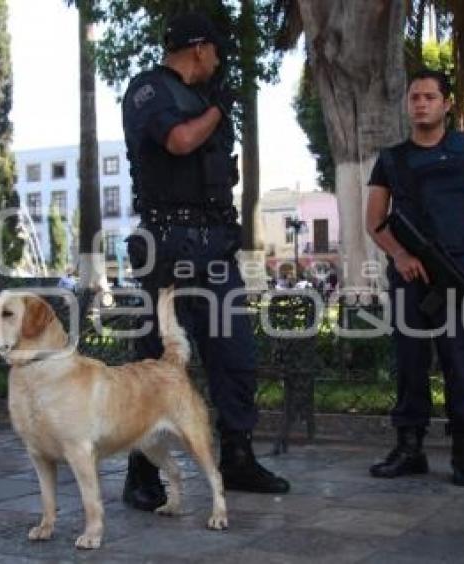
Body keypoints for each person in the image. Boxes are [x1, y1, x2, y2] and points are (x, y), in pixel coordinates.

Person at [120, 12, 290, 511]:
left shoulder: (206, 101)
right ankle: (141, 473)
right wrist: (217, 109)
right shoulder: (148, 91)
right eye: (217, 52)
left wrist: (216, 108)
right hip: (169, 246)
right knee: (158, 364)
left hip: (215, 247)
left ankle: (237, 456)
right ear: (200, 48)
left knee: (235, 356)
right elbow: (179, 142)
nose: (219, 63)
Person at [364, 68, 464, 487]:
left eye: (429, 97)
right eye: (414, 97)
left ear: (447, 104)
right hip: (410, 276)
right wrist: (400, 254)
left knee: (461, 363)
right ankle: (409, 448)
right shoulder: (391, 159)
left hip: (458, 271)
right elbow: (374, 222)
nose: (421, 103)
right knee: (408, 361)